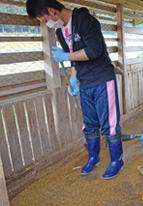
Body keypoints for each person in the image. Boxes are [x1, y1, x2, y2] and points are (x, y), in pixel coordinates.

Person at [26, 0, 123, 179]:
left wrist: (66, 55)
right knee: (89, 123)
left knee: (109, 124)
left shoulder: (84, 20)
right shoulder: (60, 30)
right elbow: (74, 59)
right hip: (85, 81)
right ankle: (94, 157)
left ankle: (117, 160)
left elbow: (94, 50)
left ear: (52, 11)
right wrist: (73, 78)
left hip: (102, 78)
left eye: (43, 18)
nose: (45, 23)